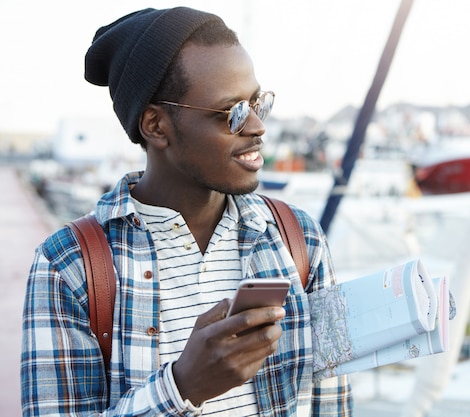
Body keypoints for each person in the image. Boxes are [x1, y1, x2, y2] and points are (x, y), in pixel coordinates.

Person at [21, 7, 353, 416]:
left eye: (256, 102)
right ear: (157, 126)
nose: (257, 127)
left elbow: (332, 403)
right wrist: (183, 387)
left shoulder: (298, 238)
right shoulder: (69, 265)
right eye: (231, 112)